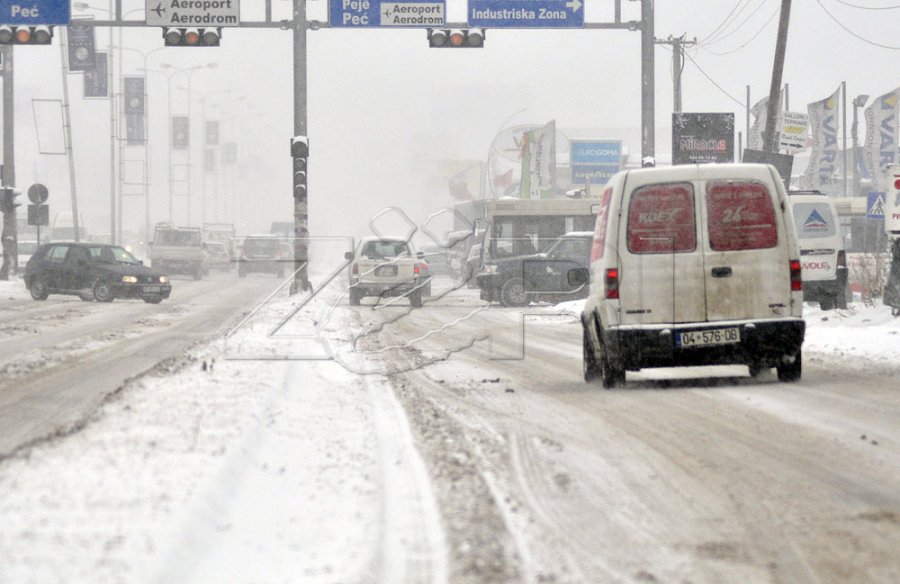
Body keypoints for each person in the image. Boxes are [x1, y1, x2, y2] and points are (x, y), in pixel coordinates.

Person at [884, 238, 900, 316]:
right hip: (897, 271)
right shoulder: (896, 245)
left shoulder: (895, 245)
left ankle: (896, 308)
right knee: (896, 290)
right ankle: (896, 308)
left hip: (895, 271)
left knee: (895, 290)